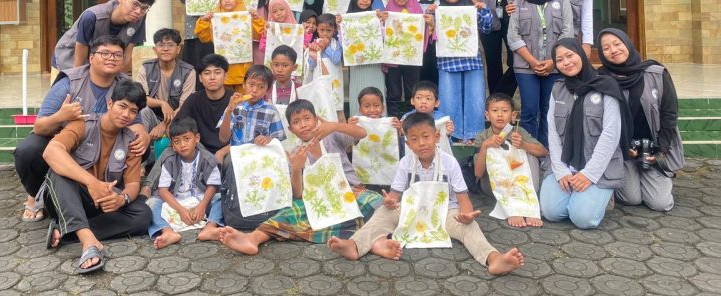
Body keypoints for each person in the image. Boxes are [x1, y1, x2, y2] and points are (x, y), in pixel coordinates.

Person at [327, 112, 524, 276]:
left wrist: (466, 214)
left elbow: (463, 198)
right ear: (407, 143)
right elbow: (395, 195)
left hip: (446, 212)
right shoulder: (405, 163)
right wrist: (390, 202)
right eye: (414, 139)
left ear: (436, 137)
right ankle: (354, 245)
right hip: (411, 211)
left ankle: (493, 258)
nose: (421, 143)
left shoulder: (450, 162)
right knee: (382, 214)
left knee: (470, 227)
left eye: (426, 136)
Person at [217, 99, 382, 254]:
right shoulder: (296, 153)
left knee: (377, 201)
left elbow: (362, 133)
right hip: (321, 201)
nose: (303, 125)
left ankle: (347, 233)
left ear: (316, 120)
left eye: (307, 118)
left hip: (351, 193)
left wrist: (333, 126)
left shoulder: (332, 136)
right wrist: (296, 168)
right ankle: (253, 238)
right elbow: (298, 194)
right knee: (290, 211)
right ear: (291, 129)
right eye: (296, 122)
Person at [15, 36, 149, 222]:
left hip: (100, 145)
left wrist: (144, 135)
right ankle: (36, 194)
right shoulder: (69, 83)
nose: (111, 58)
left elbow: (136, 122)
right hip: (65, 140)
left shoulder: (124, 84)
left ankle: (108, 192)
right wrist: (60, 116)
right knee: (28, 150)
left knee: (140, 146)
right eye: (105, 53)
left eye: (117, 55)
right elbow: (39, 127)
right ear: (91, 58)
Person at [42, 80, 152, 274]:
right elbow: (51, 152)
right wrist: (91, 182)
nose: (126, 114)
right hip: (69, 197)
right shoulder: (83, 125)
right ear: (110, 104)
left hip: (102, 202)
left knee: (143, 215)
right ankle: (88, 242)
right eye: (122, 106)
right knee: (58, 172)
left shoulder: (131, 141)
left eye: (133, 111)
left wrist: (121, 199)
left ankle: (67, 231)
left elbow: (133, 184)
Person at [540, 38, 631, 229]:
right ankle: (582, 195)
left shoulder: (606, 85)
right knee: (551, 212)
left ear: (581, 54)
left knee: (583, 219)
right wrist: (561, 171)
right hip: (566, 163)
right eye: (559, 60)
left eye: (570, 55)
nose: (566, 62)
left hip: (598, 167)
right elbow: (553, 133)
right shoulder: (558, 88)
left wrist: (589, 174)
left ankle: (601, 196)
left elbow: (611, 134)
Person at [597, 28, 683, 212]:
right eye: (606, 48)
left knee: (660, 203)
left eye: (617, 44)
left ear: (627, 43)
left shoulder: (656, 73)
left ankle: (655, 176)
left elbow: (669, 114)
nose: (613, 50)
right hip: (622, 150)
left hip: (652, 148)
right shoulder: (601, 78)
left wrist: (661, 151)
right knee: (631, 198)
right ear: (602, 54)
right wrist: (622, 147)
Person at [200, 65, 287, 241]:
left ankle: (266, 215)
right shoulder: (236, 107)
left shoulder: (270, 110)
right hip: (237, 157)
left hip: (260, 158)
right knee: (226, 181)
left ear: (267, 90)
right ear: (244, 84)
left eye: (261, 87)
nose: (254, 90)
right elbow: (223, 138)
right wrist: (229, 111)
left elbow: (278, 140)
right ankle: (215, 222)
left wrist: (267, 139)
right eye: (251, 85)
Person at [508, 0, 573, 147]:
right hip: (525, 67)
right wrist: (533, 62)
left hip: (555, 66)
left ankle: (547, 150)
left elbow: (567, 32)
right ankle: (530, 150)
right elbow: (513, 35)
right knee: (529, 109)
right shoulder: (519, 1)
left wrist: (553, 61)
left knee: (549, 110)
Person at [427, 0, 492, 144]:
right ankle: (451, 136)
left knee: (476, 99)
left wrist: (483, 9)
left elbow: (487, 28)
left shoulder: (471, 8)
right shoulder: (437, 10)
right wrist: (430, 14)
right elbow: (428, 34)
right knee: (448, 99)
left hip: (472, 61)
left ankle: (474, 136)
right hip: (447, 62)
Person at [473, 92, 548, 227]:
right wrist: (485, 146)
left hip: (521, 183)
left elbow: (543, 152)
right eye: (495, 111)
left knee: (530, 154)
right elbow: (478, 173)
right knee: (493, 152)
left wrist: (523, 145)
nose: (500, 115)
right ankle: (513, 210)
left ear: (513, 115)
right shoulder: (482, 137)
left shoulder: (519, 132)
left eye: (505, 111)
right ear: (487, 115)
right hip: (493, 186)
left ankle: (528, 205)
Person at [147, 116, 222, 249]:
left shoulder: (207, 158)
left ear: (197, 138)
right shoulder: (169, 160)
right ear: (172, 145)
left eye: (186, 139)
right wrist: (180, 210)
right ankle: (167, 231)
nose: (182, 145)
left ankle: (210, 227)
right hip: (174, 203)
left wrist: (202, 205)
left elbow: (213, 186)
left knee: (221, 198)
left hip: (201, 201)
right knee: (151, 203)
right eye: (177, 141)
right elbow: (163, 190)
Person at [52, 0, 154, 74]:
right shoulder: (91, 17)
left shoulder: (139, 19)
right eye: (135, 4)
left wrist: (119, 81)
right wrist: (77, 80)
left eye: (144, 8)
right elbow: (80, 54)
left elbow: (127, 54)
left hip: (98, 61)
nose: (138, 12)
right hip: (69, 59)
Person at [195, 0, 265, 92]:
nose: (226, 0)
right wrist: (204, 20)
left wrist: (256, 19)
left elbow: (259, 35)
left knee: (242, 98)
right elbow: (204, 37)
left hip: (242, 70)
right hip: (223, 70)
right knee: (224, 99)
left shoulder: (247, 16)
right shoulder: (215, 18)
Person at [381, 0, 433, 117]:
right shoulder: (387, 12)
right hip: (393, 61)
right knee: (394, 92)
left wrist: (428, 24)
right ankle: (394, 121)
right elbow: (380, 35)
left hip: (412, 59)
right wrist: (381, 22)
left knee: (412, 91)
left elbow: (426, 33)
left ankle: (412, 120)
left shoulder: (417, 10)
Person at [169, 54, 234, 161]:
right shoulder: (194, 99)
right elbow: (175, 126)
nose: (212, 77)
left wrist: (222, 152)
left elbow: (245, 137)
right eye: (207, 73)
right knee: (169, 152)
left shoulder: (235, 99)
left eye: (217, 73)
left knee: (232, 160)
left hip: (228, 150)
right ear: (200, 78)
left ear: (225, 76)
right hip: (199, 149)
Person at [136, 28, 196, 142]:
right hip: (153, 117)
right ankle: (141, 147)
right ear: (155, 49)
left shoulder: (188, 71)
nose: (166, 49)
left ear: (178, 49)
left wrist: (164, 124)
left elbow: (185, 106)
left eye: (170, 45)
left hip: (178, 118)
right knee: (142, 110)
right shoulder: (146, 67)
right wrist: (162, 103)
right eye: (161, 45)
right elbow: (141, 99)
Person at [341, 0, 386, 117]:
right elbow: (343, 42)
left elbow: (384, 39)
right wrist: (339, 26)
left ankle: (380, 124)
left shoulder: (376, 17)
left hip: (374, 64)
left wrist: (382, 22)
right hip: (357, 65)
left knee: (377, 91)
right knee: (358, 91)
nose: (365, 0)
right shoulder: (346, 19)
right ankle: (357, 125)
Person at [305, 13, 345, 122]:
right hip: (319, 78)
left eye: (328, 30)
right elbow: (311, 65)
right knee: (321, 104)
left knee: (336, 106)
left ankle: (340, 129)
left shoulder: (336, 44)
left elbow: (336, 59)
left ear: (334, 31)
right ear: (317, 29)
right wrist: (316, 52)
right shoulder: (314, 43)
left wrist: (326, 47)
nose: (325, 33)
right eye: (322, 30)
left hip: (334, 80)